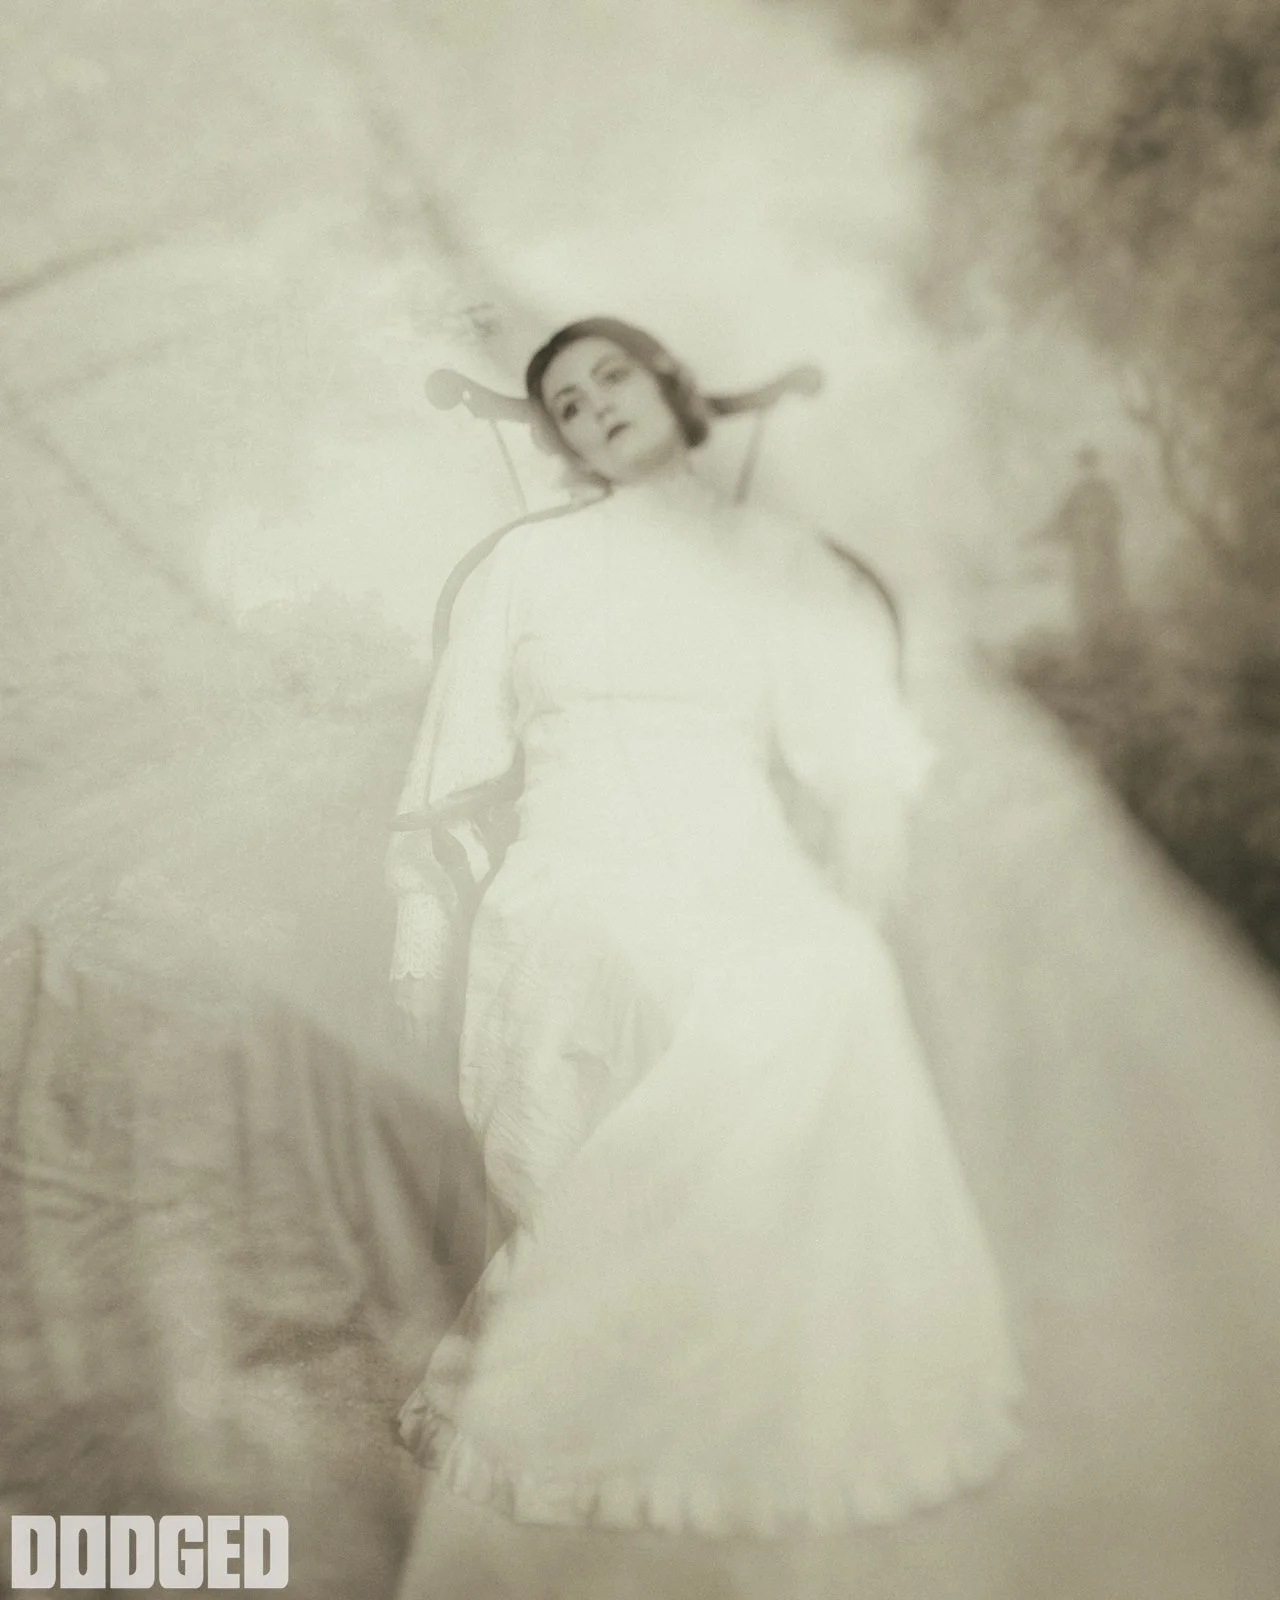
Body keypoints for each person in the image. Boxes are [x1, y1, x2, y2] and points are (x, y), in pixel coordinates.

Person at [385, 318, 1021, 1556]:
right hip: (571, 867)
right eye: (566, 404)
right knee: (635, 964)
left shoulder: (774, 559)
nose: (594, 406)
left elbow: (855, 748)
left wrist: (866, 861)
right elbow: (445, 775)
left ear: (670, 386)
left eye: (611, 377)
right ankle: (610, 1381)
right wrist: (419, 922)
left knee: (827, 977)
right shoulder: (526, 564)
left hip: (737, 858)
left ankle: (777, 1375)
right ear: (560, 441)